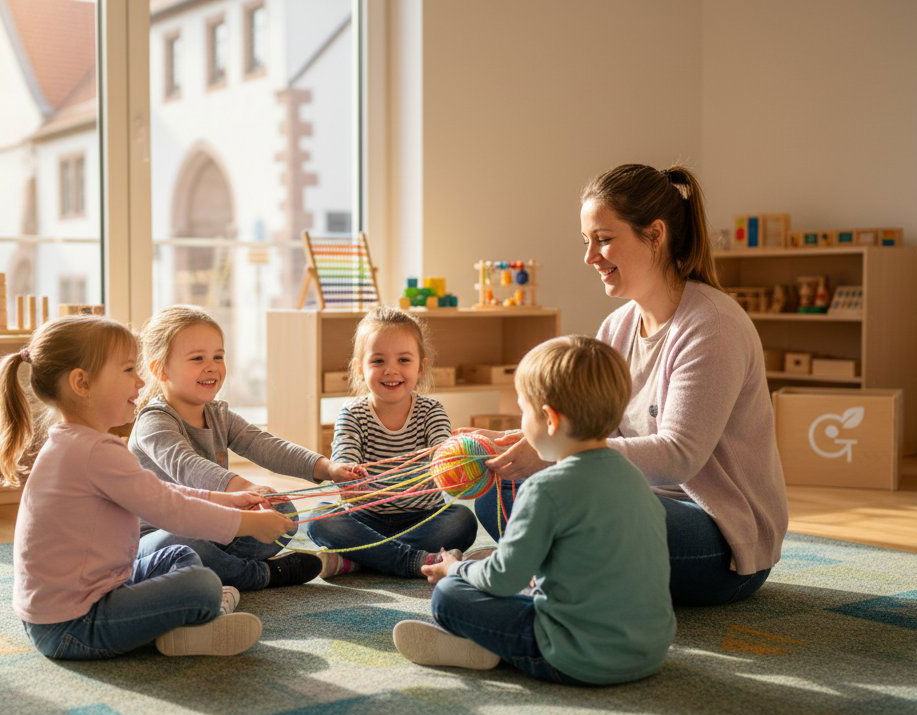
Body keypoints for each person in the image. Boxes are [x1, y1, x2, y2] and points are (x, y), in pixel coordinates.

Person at [473, 164, 788, 606]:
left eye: (603, 239)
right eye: (587, 242)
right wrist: (523, 442)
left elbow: (678, 457)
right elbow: (588, 431)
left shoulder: (712, 326)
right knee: (500, 488)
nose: (590, 257)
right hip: (632, 499)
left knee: (569, 509)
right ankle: (552, 570)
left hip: (718, 538)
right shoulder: (617, 327)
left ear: (655, 235)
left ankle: (535, 570)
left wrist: (554, 454)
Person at [0, 314, 296, 660]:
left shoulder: (78, 443)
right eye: (127, 371)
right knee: (202, 585)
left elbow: (158, 491)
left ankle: (191, 620)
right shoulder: (93, 451)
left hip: (83, 599)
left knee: (182, 557)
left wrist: (227, 499)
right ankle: (199, 622)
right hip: (73, 626)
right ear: (82, 383)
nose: (140, 383)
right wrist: (247, 524)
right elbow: (170, 509)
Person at [393, 335, 675, 684]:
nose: (520, 421)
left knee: (450, 596)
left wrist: (457, 570)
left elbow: (501, 579)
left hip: (579, 657)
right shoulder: (633, 476)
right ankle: (488, 644)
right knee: (524, 586)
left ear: (549, 419)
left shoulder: (545, 488)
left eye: (523, 411)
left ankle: (487, 648)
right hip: (649, 651)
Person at [129, 306, 364, 588]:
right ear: (160, 369)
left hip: (215, 524)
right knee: (183, 544)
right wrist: (242, 487)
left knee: (282, 509)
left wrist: (326, 467)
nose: (212, 366)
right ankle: (259, 575)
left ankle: (221, 569)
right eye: (197, 358)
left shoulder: (218, 413)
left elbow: (264, 444)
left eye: (218, 356)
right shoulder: (153, 421)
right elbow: (186, 466)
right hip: (155, 539)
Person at [305, 307, 478, 577]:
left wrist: (455, 463)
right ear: (359, 369)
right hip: (364, 518)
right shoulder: (352, 413)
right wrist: (346, 473)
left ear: (421, 367)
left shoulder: (432, 411)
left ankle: (363, 558)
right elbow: (344, 455)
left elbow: (444, 454)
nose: (391, 370)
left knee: (462, 519)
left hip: (423, 519)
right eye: (378, 361)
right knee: (321, 520)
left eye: (404, 360)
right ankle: (414, 560)